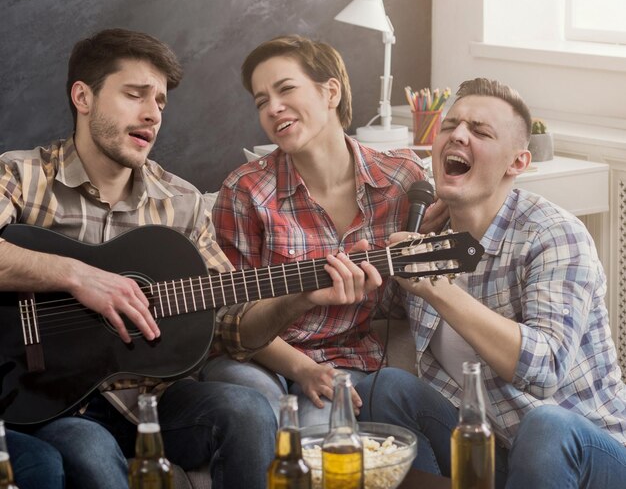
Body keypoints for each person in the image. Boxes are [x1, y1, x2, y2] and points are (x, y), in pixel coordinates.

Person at [0, 28, 382, 489]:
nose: (151, 114)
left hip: (151, 400)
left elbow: (231, 325)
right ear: (83, 96)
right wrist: (78, 276)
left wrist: (298, 298)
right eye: (134, 95)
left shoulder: (179, 201)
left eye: (160, 102)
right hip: (45, 395)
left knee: (245, 410)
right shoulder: (22, 175)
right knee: (89, 450)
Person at [355, 77, 626, 488]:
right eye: (450, 126)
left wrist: (435, 286)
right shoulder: (429, 234)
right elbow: (374, 307)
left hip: (585, 454)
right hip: (491, 451)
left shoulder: (553, 235)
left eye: (480, 131)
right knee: (385, 387)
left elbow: (546, 368)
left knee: (546, 425)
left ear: (517, 163)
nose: (457, 135)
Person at [203, 34, 446, 427]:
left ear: (330, 91)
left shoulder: (402, 178)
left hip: (350, 359)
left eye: (285, 89)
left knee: (331, 432)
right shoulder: (245, 191)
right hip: (260, 358)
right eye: (262, 101)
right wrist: (303, 369)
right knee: (259, 409)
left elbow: (413, 290)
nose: (273, 108)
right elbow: (231, 318)